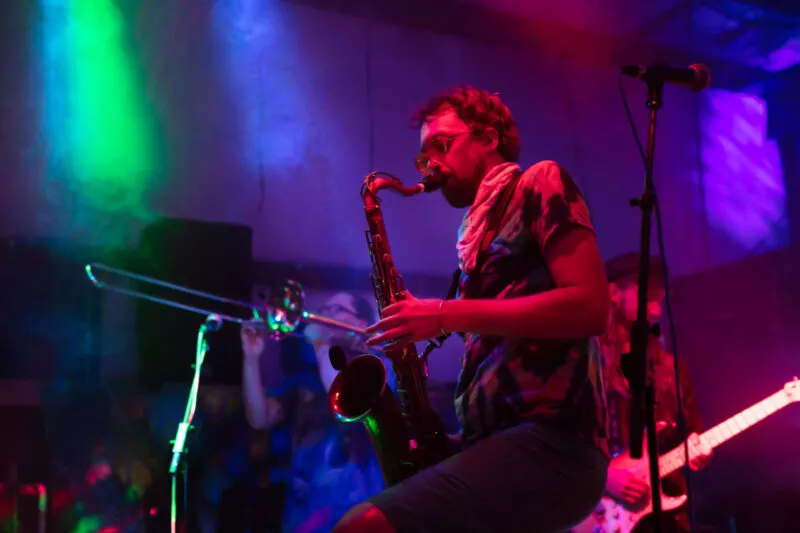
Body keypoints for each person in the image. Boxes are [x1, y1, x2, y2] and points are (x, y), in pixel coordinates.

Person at [333, 86, 611, 533]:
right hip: (505, 441)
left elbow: (591, 306)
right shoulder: (474, 237)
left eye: (442, 145)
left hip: (554, 442)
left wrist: (444, 314)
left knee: (362, 527)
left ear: (489, 137)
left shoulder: (539, 181)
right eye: (424, 158)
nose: (432, 165)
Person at [241, 291, 391, 533]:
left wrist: (322, 345)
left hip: (357, 518)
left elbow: (347, 398)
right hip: (301, 520)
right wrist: (251, 357)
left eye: (336, 310)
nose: (323, 317)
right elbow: (259, 418)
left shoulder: (378, 370)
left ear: (361, 323)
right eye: (324, 310)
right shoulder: (304, 379)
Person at [595, 252, 713, 533]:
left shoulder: (671, 369)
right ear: (614, 293)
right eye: (649, 297)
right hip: (601, 515)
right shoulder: (584, 368)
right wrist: (603, 476)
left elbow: (692, 434)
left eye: (659, 299)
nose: (657, 310)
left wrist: (698, 452)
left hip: (665, 517)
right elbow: (559, 444)